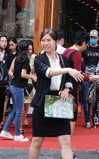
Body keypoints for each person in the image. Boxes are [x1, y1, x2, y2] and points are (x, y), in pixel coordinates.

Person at [28, 28, 83, 159]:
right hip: (42, 103)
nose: (45, 43)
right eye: (43, 40)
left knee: (66, 141)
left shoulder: (63, 59)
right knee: (37, 141)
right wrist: (68, 70)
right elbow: (48, 72)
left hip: (59, 102)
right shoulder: (39, 59)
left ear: (56, 42)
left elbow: (69, 79)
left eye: (49, 40)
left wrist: (67, 89)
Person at [0, 39, 33, 142]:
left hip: (13, 86)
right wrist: (32, 77)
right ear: (27, 49)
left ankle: (5, 130)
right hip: (18, 88)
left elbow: (10, 71)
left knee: (15, 110)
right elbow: (23, 74)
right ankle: (18, 134)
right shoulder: (26, 60)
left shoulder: (16, 59)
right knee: (19, 111)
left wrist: (13, 75)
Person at [63, 31, 88, 142]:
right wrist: (91, 78)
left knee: (64, 120)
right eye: (87, 45)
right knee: (71, 120)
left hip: (64, 88)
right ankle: (67, 148)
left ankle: (64, 147)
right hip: (72, 90)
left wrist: (85, 75)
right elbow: (78, 76)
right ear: (84, 43)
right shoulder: (77, 54)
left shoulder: (66, 51)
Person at [81, 30, 99, 128]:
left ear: (98, 38)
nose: (92, 39)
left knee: (97, 99)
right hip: (86, 78)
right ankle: (87, 121)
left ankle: (95, 117)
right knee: (86, 99)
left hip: (97, 77)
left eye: (94, 38)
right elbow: (81, 62)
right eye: (91, 37)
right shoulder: (85, 49)